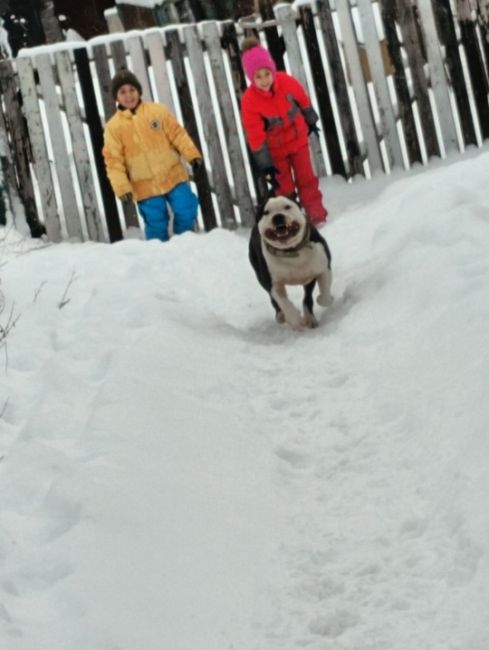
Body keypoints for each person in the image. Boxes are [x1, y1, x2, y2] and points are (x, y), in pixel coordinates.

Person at [103, 68, 202, 241]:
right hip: (144, 186)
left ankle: (185, 240)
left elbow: (177, 135)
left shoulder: (158, 112)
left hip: (173, 175)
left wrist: (192, 154)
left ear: (139, 91)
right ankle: (159, 253)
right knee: (156, 221)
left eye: (132, 90)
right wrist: (122, 188)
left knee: (186, 206)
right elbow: (113, 161)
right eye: (123, 92)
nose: (129, 96)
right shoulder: (113, 128)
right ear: (116, 97)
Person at [240, 37, 328, 225]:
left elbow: (302, 99)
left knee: (307, 180)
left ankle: (316, 216)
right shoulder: (250, 100)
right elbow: (254, 132)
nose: (264, 80)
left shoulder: (286, 81)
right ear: (251, 78)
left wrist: (311, 120)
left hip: (298, 142)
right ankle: (292, 222)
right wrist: (265, 163)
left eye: (267, 73)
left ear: (272, 70)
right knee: (284, 188)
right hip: (276, 152)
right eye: (258, 76)